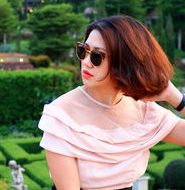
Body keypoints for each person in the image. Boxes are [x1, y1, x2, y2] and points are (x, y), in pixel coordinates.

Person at [38, 15, 185, 190]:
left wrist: (176, 98)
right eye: (83, 50)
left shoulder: (143, 110)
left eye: (97, 57)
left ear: (125, 62)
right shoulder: (61, 115)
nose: (85, 62)